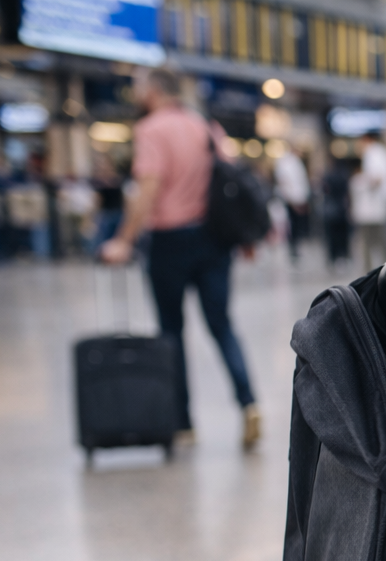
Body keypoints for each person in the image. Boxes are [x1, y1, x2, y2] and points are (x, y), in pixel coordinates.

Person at [100, 66, 261, 450]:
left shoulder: (151, 129)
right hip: (213, 239)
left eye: (139, 85)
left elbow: (148, 188)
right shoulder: (206, 126)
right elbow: (228, 180)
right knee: (221, 325)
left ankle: (183, 423)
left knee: (171, 332)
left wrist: (123, 240)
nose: (135, 91)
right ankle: (248, 402)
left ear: (154, 91)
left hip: (170, 240)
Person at [349, 131, 386, 270]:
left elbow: (376, 178)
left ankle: (380, 271)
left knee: (374, 242)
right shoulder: (381, 153)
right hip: (378, 207)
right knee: (380, 241)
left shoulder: (373, 153)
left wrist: (361, 183)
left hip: (373, 208)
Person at [274, 144, 312, 263]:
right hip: (291, 200)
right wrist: (291, 200)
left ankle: (296, 249)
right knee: (292, 226)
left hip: (299, 199)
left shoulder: (297, 162)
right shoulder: (284, 162)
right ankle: (292, 250)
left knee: (298, 226)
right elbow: (285, 182)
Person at [321, 156, 353, 266]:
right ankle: (343, 256)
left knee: (332, 236)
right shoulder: (344, 175)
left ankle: (333, 257)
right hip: (341, 209)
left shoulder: (328, 176)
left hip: (331, 209)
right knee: (342, 235)